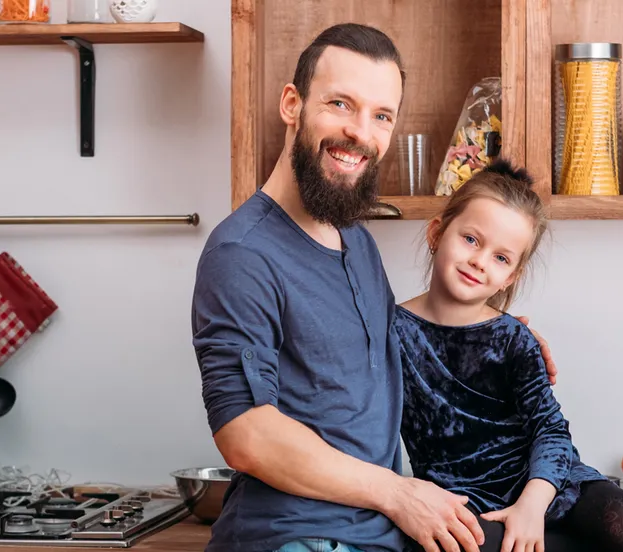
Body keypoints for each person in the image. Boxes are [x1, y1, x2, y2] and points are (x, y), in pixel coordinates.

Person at [190, 23, 556, 552]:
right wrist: (399, 493)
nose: (361, 132)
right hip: (298, 537)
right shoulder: (243, 252)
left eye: (381, 115)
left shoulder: (355, 240)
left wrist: (491, 338)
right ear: (292, 104)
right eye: (340, 104)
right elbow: (245, 434)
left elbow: (388, 355)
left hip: (380, 535)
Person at [396, 159, 623, 552]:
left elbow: (550, 431)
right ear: (436, 233)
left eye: (501, 258)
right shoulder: (390, 332)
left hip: (548, 485)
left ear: (511, 276)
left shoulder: (512, 337)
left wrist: (532, 505)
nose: (480, 261)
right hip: (465, 501)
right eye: (471, 239)